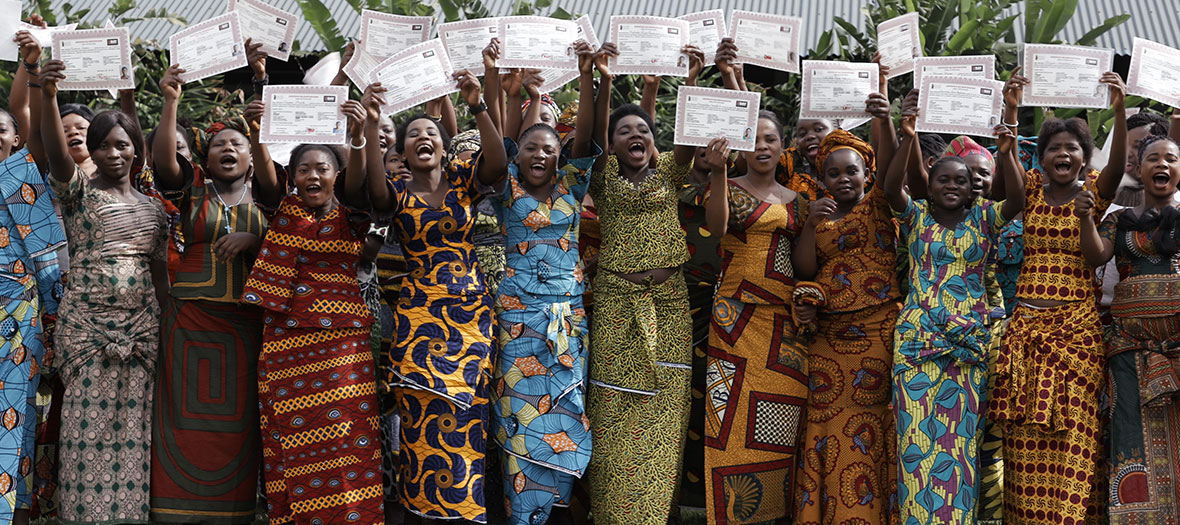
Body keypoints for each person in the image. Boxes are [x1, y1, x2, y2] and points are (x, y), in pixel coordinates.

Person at [361, 68, 507, 523]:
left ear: (444, 147)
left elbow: (500, 163)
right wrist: (370, 127)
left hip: (471, 317)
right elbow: (372, 190)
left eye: (431, 133)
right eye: (414, 135)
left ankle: (465, 511)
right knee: (422, 416)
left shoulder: (465, 179)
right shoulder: (398, 194)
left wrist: (477, 104)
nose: (423, 138)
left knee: (467, 418)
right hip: (417, 319)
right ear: (403, 151)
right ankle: (422, 512)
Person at [987, 68, 1128, 524]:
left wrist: (1120, 111)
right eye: (1053, 148)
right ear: (1042, 158)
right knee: (1025, 445)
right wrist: (1010, 111)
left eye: (1072, 148)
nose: (1062, 153)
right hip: (1027, 333)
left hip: (1077, 337)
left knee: (1074, 441)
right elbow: (1007, 172)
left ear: (1084, 158)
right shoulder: (1028, 190)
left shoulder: (1093, 195)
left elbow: (1120, 166)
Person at [37, 59, 169, 525]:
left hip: (141, 330)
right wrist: (47, 94)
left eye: (122, 145)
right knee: (83, 432)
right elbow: (55, 152)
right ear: (91, 151)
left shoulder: (155, 212)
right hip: (86, 329)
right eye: (102, 146)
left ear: (137, 151)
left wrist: (168, 331)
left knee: (134, 433)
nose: (113, 153)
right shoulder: (78, 192)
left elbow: (159, 279)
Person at [241, 94, 384, 521]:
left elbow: (360, 182)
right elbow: (265, 178)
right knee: (294, 444)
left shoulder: (352, 213)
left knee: (347, 441)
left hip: (342, 345)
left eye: (322, 168)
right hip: (285, 342)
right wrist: (256, 130)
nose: (312, 176)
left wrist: (358, 136)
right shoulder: (281, 208)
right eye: (304, 170)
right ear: (294, 177)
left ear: (336, 175)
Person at [885, 103, 1024, 522]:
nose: (950, 185)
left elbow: (1016, 198)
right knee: (915, 445)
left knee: (959, 447)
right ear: (929, 182)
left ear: (972, 188)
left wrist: (1007, 149)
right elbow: (892, 187)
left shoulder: (985, 218)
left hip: (967, 347)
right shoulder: (917, 217)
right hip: (917, 343)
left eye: (960, 180)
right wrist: (907, 135)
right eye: (941, 178)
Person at [147, 46, 269, 522]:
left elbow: (289, 235)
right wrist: (171, 101)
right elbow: (161, 164)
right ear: (205, 154)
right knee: (181, 420)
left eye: (238, 144)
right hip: (189, 321)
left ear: (253, 157)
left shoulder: (271, 196)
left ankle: (232, 511)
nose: (229, 150)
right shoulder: (192, 189)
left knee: (237, 421)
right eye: (220, 144)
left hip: (244, 324)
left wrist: (253, 233)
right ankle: (176, 509)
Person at [583, 41, 698, 525]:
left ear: (655, 141)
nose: (636, 134)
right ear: (612, 144)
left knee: (665, 412)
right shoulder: (602, 175)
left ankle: (652, 515)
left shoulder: (671, 169)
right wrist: (605, 78)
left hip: (669, 305)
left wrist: (690, 79)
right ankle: (612, 514)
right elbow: (591, 132)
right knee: (613, 410)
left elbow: (689, 139)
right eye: (624, 130)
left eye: (644, 129)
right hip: (616, 304)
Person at [486, 39, 599, 524]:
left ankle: (552, 512)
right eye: (531, 147)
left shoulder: (573, 183)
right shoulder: (506, 184)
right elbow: (500, 137)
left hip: (566, 323)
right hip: (517, 321)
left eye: (548, 149)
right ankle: (520, 516)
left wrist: (590, 75)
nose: (539, 154)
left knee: (564, 412)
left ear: (560, 155)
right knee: (520, 419)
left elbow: (589, 131)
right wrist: (501, 82)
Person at [792, 122, 902, 522]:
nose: (843, 178)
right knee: (825, 423)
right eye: (833, 173)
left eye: (851, 170)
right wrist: (808, 224)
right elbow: (805, 268)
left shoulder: (878, 204)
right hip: (828, 336)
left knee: (870, 426)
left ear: (867, 174)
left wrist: (887, 120)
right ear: (821, 178)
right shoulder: (815, 212)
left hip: (877, 331)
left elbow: (893, 168)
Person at [702, 111, 808, 524]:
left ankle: (773, 514)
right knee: (728, 420)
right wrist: (715, 174)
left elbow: (803, 263)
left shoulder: (799, 201)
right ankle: (730, 516)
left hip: (783, 325)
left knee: (780, 422)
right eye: (755, 140)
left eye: (771, 140)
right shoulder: (727, 187)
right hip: (735, 321)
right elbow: (717, 226)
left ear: (784, 147)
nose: (763, 147)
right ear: (742, 146)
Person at [1084, 135, 1180, 522]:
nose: (1162, 165)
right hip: (1130, 350)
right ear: (1138, 170)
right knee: (1131, 438)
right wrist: (1083, 218)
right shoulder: (1117, 220)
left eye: (1170, 159)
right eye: (1152, 158)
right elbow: (1095, 256)